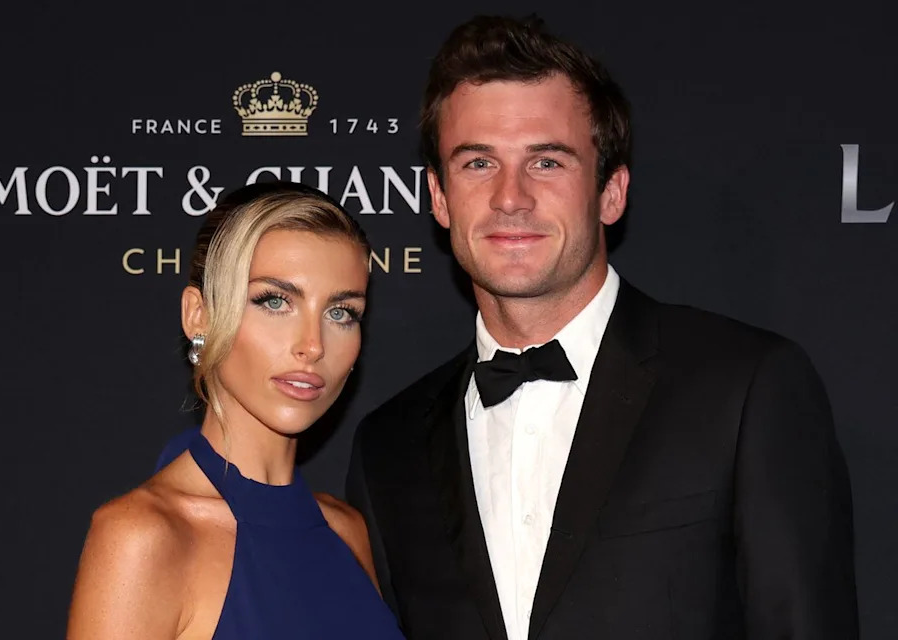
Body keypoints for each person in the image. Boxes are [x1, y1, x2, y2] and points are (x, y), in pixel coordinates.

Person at [346, 15, 859, 640]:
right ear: (439, 196)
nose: (510, 197)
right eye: (478, 162)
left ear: (611, 192)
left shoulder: (745, 389)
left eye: (547, 162)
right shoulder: (388, 446)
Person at [68, 182, 404, 639]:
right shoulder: (143, 537)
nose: (313, 345)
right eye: (275, 301)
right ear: (199, 315)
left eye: (341, 312)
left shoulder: (347, 530)